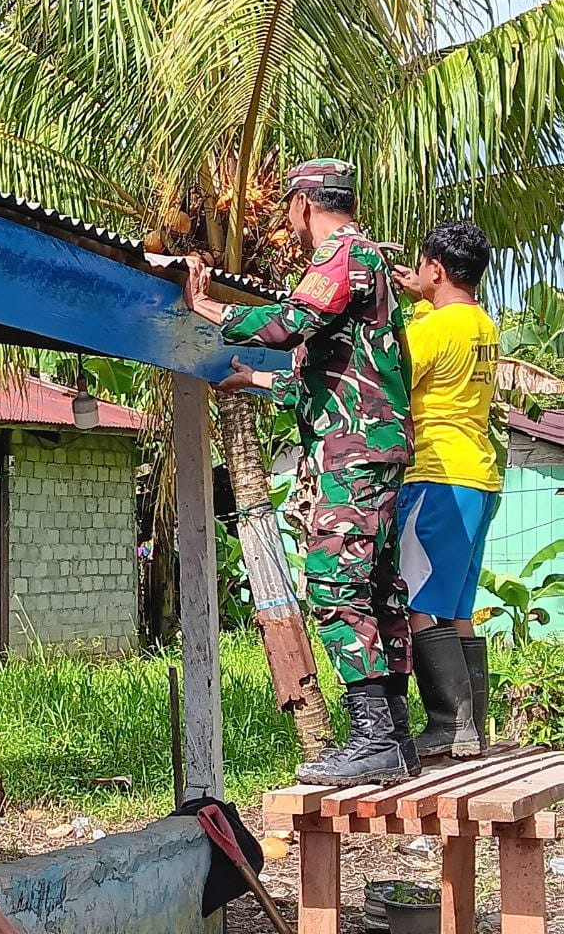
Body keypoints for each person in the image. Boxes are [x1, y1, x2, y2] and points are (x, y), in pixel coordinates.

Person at [183, 158, 418, 787]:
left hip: (354, 451)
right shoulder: (370, 268)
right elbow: (321, 377)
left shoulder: (341, 256)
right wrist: (251, 379)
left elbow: (291, 325)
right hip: (372, 446)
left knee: (335, 582)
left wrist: (208, 309)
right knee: (378, 587)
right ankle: (393, 735)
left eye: (289, 207)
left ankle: (373, 739)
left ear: (304, 206)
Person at [391, 221, 498, 758]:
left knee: (416, 598)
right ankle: (471, 726)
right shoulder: (482, 324)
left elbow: (394, 374)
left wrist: (409, 306)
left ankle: (445, 724)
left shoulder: (431, 329)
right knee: (457, 607)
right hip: (479, 477)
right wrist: (423, 301)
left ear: (435, 267)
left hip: (435, 474)